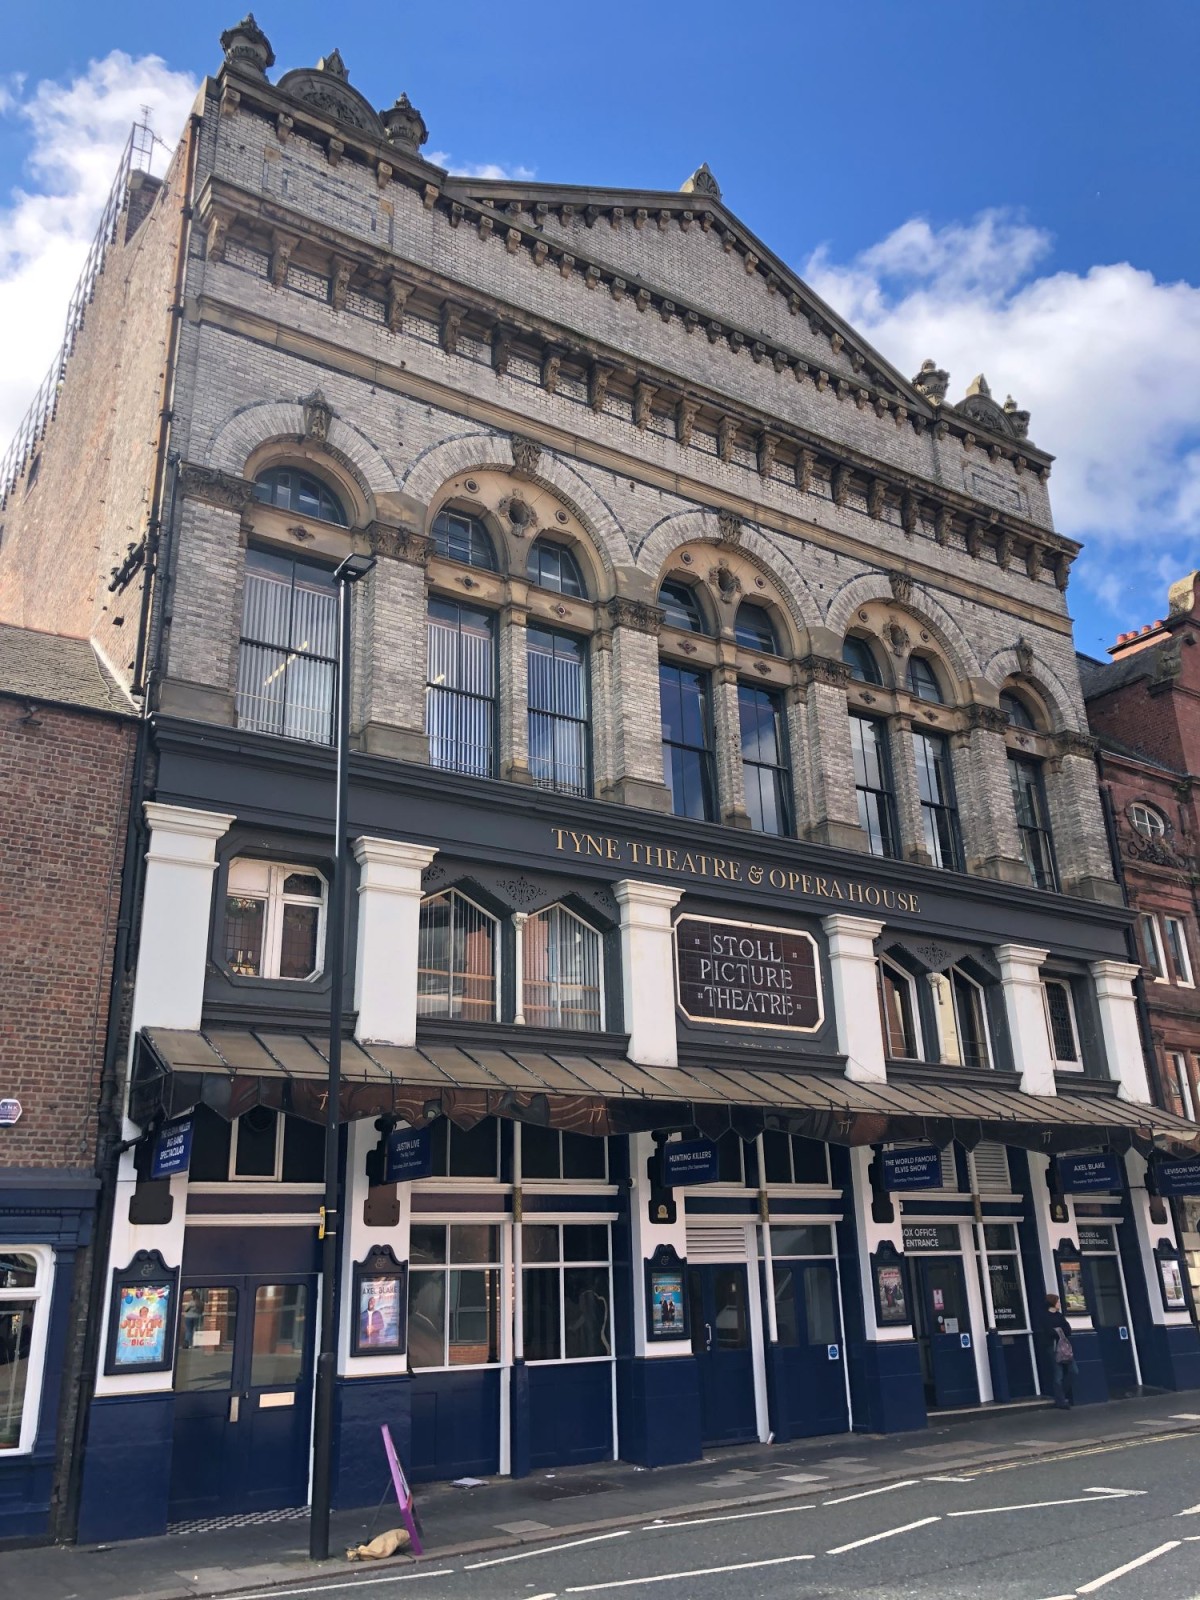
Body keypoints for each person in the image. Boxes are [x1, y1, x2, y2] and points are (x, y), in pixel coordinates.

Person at [1046, 1292, 1076, 1409]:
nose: (1059, 1304)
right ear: (1052, 1303)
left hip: (1065, 1347)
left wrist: (1058, 1331)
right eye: (1057, 1302)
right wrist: (1060, 1331)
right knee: (1058, 1375)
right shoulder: (1045, 1316)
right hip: (1053, 1348)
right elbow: (1048, 1332)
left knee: (1074, 1371)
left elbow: (1068, 1329)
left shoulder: (1059, 1315)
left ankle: (1061, 1394)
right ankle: (1061, 1401)